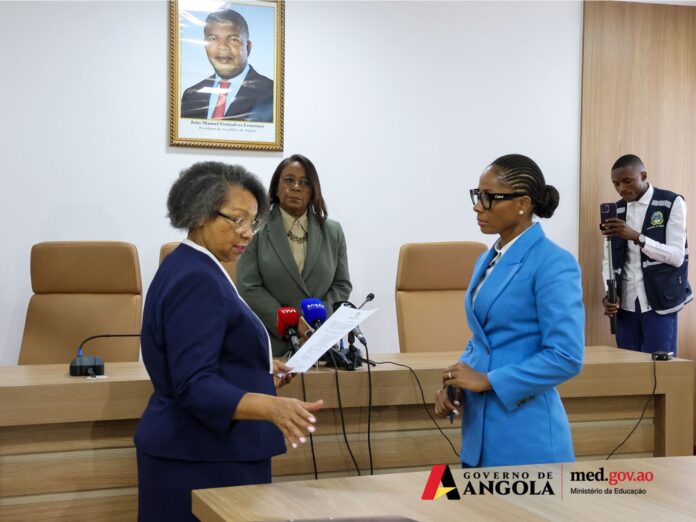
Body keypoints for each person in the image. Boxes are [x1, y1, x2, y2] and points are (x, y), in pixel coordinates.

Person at [135, 162, 323, 521]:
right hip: (201, 458)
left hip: (204, 452)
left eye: (253, 221)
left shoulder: (190, 265)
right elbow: (194, 383)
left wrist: (257, 371)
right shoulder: (196, 277)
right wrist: (271, 407)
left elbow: (207, 357)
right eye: (237, 220)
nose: (247, 233)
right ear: (198, 212)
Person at [434, 154, 584, 468]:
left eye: (489, 198)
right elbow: (484, 338)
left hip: (525, 435)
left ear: (523, 203)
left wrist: (487, 380)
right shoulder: (486, 258)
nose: (478, 207)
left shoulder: (554, 262)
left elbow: (566, 356)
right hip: (478, 430)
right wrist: (456, 382)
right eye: (477, 195)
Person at [236, 154, 352, 357]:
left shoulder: (333, 231)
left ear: (313, 191)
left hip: (320, 344)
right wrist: (293, 324)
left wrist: (315, 323)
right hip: (272, 346)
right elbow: (248, 287)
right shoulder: (255, 230)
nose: (296, 187)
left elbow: (341, 285)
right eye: (289, 180)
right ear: (276, 187)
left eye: (305, 182)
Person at [601, 154, 691, 355]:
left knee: (660, 367)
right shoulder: (616, 210)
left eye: (627, 181)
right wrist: (610, 294)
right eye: (616, 184)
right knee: (628, 367)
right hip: (625, 306)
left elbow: (677, 256)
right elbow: (608, 260)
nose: (621, 188)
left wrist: (637, 237)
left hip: (659, 302)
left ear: (643, 175)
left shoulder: (671, 202)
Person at [180, 9, 273, 122]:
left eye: (233, 39)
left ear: (248, 47)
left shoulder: (272, 93)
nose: (222, 47)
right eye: (213, 39)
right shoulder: (191, 96)